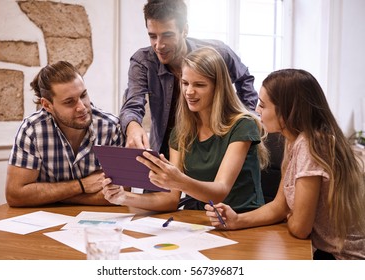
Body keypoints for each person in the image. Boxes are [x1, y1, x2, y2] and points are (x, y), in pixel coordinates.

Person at [205, 69, 365, 259]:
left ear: (287, 111)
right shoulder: (293, 141)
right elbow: (280, 207)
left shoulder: (310, 145)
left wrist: (292, 216)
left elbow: (300, 228)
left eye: (263, 105)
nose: (257, 110)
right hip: (325, 250)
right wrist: (237, 220)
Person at [103, 47, 268, 212]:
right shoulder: (181, 132)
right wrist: (123, 197)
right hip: (199, 220)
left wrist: (178, 179)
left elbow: (220, 191)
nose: (189, 92)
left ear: (218, 88)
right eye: (185, 83)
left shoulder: (243, 125)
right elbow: (170, 199)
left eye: (199, 85)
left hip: (243, 220)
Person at [120, 0, 258, 158]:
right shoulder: (142, 62)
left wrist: (246, 122)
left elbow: (245, 79)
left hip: (214, 150)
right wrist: (133, 126)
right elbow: (132, 105)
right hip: (167, 152)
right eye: (152, 36)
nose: (158, 45)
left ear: (184, 30)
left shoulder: (217, 52)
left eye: (167, 35)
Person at [5, 61, 124, 207]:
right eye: (69, 102)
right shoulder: (32, 130)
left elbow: (121, 193)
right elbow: (15, 195)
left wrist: (55, 196)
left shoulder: (111, 127)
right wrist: (81, 186)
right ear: (47, 105)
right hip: (45, 220)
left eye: (83, 95)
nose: (81, 107)